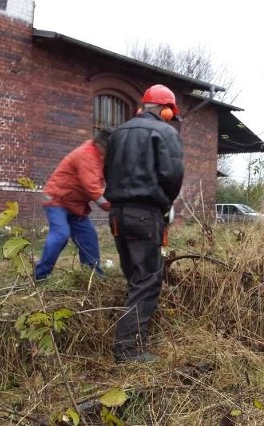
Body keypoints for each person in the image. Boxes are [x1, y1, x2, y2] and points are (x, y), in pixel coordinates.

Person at [103, 84, 184, 362]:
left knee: (134, 277)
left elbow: (107, 171)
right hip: (145, 215)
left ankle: (131, 339)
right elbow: (173, 175)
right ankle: (128, 350)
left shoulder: (117, 133)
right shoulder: (166, 132)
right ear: (165, 111)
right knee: (148, 280)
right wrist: (165, 204)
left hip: (117, 215)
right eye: (171, 114)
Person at [34, 128, 112, 281]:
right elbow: (94, 190)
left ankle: (94, 278)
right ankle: (40, 276)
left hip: (75, 205)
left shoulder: (100, 156)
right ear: (103, 145)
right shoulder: (87, 155)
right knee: (61, 234)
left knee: (88, 237)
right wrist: (116, 207)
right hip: (57, 199)